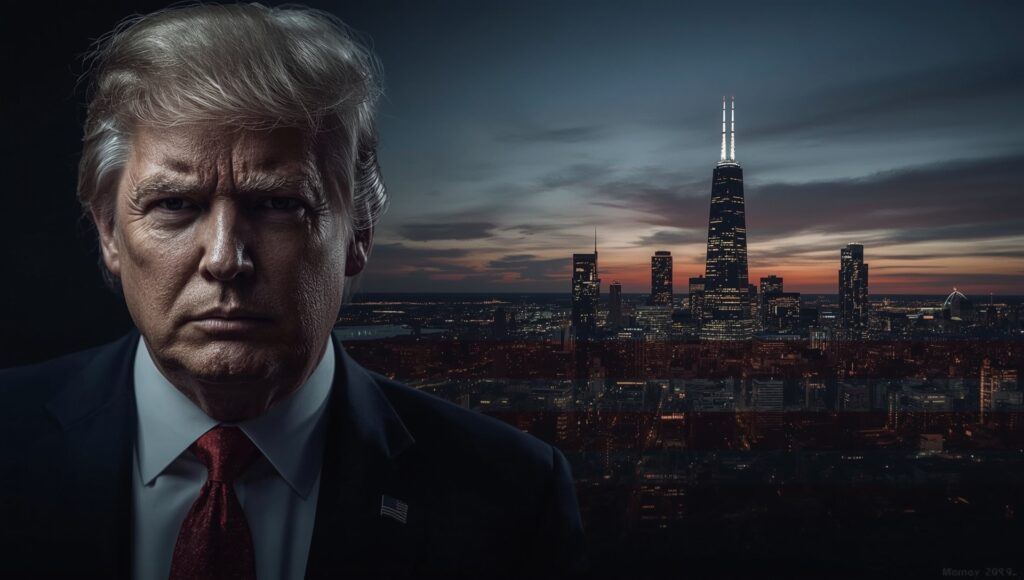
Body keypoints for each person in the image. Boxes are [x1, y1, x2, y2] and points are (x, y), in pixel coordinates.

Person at [0, 4, 587, 579]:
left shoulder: (512, 497)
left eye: (279, 205)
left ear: (358, 234)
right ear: (108, 233)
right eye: (175, 204)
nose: (225, 258)